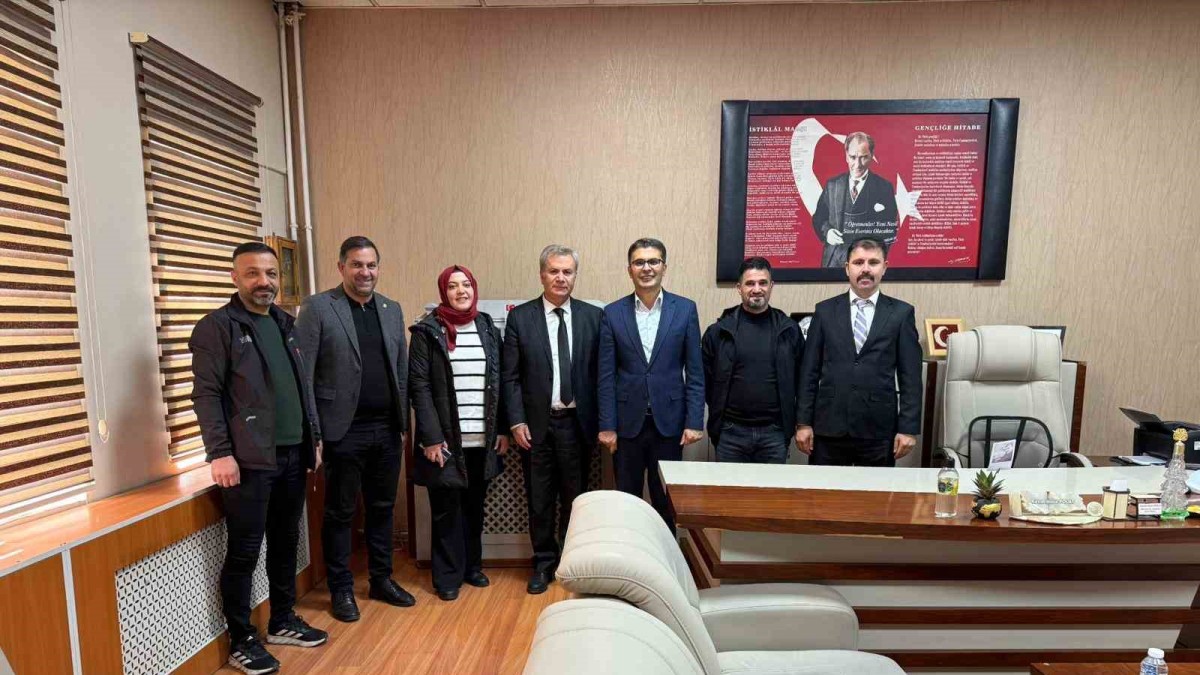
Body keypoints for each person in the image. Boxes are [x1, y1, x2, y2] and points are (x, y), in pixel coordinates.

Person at [190, 242, 327, 675]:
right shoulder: (217, 327)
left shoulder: (286, 323)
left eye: (270, 273)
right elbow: (206, 395)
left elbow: (301, 387)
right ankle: (242, 639)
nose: (263, 282)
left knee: (286, 542)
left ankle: (282, 619)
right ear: (235, 278)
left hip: (292, 454)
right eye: (252, 273)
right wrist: (220, 453)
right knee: (245, 552)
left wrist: (313, 438)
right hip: (249, 461)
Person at [294, 236, 412, 623]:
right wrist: (314, 434)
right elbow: (304, 375)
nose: (365, 272)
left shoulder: (391, 309)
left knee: (382, 508)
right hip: (342, 431)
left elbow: (401, 371)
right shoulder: (318, 307)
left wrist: (403, 424)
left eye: (371, 265)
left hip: (386, 430)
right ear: (341, 267)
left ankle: (381, 579)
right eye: (357, 265)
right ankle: (341, 588)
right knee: (341, 512)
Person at [502, 245, 602, 595]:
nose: (561, 278)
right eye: (554, 271)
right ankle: (544, 562)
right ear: (542, 274)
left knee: (577, 499)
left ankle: (572, 562)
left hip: (578, 424)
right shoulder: (520, 318)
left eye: (567, 271)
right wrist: (516, 422)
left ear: (575, 275)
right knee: (540, 499)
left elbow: (601, 374)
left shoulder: (593, 317)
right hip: (536, 427)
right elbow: (510, 377)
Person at [408, 265, 509, 601]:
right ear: (444, 292)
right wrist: (431, 438)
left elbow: (500, 380)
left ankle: (471, 567)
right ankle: (447, 576)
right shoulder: (426, 331)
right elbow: (419, 387)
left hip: (482, 438)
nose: (461, 291)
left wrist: (502, 429)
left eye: (466, 284)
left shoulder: (487, 327)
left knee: (474, 507)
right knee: (446, 510)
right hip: (445, 441)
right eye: (453, 286)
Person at [597, 238, 704, 530]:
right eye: (639, 262)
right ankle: (629, 552)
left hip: (669, 424)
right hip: (626, 425)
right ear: (629, 270)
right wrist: (607, 425)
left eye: (653, 261)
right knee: (626, 500)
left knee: (666, 500)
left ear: (664, 267)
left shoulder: (685, 309)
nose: (647, 268)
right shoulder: (612, 313)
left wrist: (694, 421)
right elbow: (605, 375)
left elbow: (695, 371)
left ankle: (666, 555)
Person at [795, 237, 922, 467]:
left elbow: (910, 377)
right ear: (847, 268)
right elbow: (809, 372)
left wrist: (908, 428)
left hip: (879, 430)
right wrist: (803, 423)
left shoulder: (901, 314)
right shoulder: (824, 311)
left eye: (873, 262)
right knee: (825, 490)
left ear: (884, 267)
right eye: (858, 262)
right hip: (829, 428)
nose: (865, 269)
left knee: (876, 491)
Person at [701, 257, 804, 464]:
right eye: (750, 283)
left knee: (771, 486)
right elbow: (705, 382)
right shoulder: (718, 332)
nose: (757, 289)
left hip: (774, 432)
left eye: (762, 283)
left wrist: (801, 423)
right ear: (739, 288)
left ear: (771, 286)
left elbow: (802, 380)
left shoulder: (789, 330)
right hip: (730, 433)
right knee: (728, 487)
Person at [811, 132, 899, 268]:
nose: (857, 165)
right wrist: (827, 232)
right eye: (853, 157)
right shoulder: (832, 185)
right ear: (846, 156)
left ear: (871, 155)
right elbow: (819, 218)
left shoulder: (884, 188)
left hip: (865, 264)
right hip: (832, 262)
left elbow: (890, 228)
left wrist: (873, 257)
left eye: (863, 157)